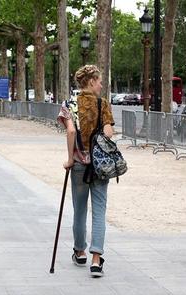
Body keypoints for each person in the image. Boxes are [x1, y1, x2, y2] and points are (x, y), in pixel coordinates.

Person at [57, 65, 114, 278]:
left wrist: (71, 158)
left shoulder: (68, 104)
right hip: (99, 167)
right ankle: (96, 259)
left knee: (79, 209)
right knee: (99, 211)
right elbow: (108, 133)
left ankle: (79, 250)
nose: (101, 85)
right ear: (91, 81)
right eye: (99, 81)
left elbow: (71, 130)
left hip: (79, 165)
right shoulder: (103, 104)